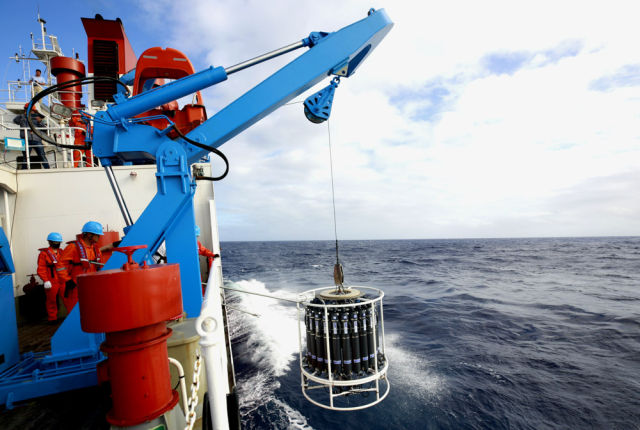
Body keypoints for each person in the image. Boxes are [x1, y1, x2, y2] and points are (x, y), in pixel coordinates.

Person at [60, 221, 104, 311]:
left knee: (91, 310)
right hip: (76, 286)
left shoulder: (96, 249)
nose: (99, 237)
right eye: (97, 235)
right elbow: (60, 265)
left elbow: (100, 266)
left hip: (92, 285)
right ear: (89, 234)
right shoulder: (73, 247)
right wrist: (67, 280)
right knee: (75, 311)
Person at [36, 232, 67, 323]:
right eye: (55, 242)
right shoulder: (44, 254)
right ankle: (52, 318)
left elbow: (67, 265)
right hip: (51, 281)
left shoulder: (62, 252)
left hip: (63, 279)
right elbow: (41, 268)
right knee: (51, 300)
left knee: (68, 298)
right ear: (49, 242)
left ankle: (72, 317)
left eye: (58, 242)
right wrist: (45, 280)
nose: (57, 243)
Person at [12, 105, 50, 169]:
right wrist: (22, 116)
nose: (31, 111)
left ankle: (47, 169)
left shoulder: (38, 117)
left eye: (32, 110)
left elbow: (45, 129)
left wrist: (40, 121)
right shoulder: (21, 117)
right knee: (26, 157)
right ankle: (24, 170)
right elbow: (15, 121)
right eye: (28, 110)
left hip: (37, 140)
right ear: (25, 109)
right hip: (26, 140)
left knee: (42, 155)